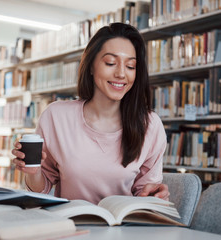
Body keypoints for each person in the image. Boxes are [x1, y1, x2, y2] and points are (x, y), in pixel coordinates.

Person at [12, 22, 169, 204]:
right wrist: (34, 172)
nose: (121, 74)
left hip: (124, 229)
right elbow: (42, 189)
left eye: (131, 66)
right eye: (110, 63)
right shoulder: (56, 117)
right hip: (71, 226)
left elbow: (144, 194)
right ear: (91, 66)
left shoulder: (150, 125)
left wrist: (154, 194)